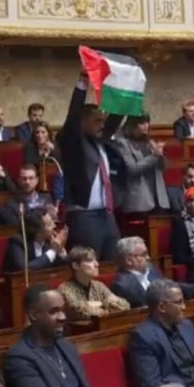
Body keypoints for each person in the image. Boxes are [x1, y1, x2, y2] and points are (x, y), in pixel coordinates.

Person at [58, 71, 125, 262]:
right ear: (82, 121)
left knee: (113, 264)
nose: (102, 125)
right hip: (84, 216)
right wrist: (82, 83)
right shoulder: (73, 142)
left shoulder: (100, 141)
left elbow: (114, 120)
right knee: (88, 267)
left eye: (103, 121)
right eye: (97, 121)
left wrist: (124, 92)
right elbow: (73, 115)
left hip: (107, 215)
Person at [127, 279, 194, 387]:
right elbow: (152, 384)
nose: (184, 307)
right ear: (162, 307)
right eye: (178, 302)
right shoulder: (143, 337)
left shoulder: (187, 326)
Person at [4, 284, 91, 387]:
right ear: (33, 315)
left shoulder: (67, 347)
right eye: (54, 311)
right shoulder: (20, 357)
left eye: (63, 310)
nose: (62, 317)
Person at [110, 237, 194, 309]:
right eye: (144, 254)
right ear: (129, 260)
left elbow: (169, 286)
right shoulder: (121, 285)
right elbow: (148, 305)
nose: (148, 258)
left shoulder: (151, 271)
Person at [116, 113, 170, 214]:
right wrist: (153, 157)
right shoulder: (123, 144)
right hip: (139, 200)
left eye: (147, 122)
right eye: (142, 123)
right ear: (132, 125)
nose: (146, 126)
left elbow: (163, 167)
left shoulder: (150, 142)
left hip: (156, 197)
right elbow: (132, 169)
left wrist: (161, 156)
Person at [57, 247, 129, 321]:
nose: (96, 264)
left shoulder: (99, 286)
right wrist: (105, 305)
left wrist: (94, 305)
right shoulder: (65, 289)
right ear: (76, 265)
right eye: (90, 260)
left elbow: (124, 306)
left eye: (96, 260)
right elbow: (81, 312)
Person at [1, 209, 68, 273]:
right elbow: (23, 269)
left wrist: (60, 251)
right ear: (38, 232)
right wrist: (53, 251)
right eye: (49, 224)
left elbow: (61, 269)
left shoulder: (48, 242)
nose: (54, 226)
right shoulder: (17, 242)